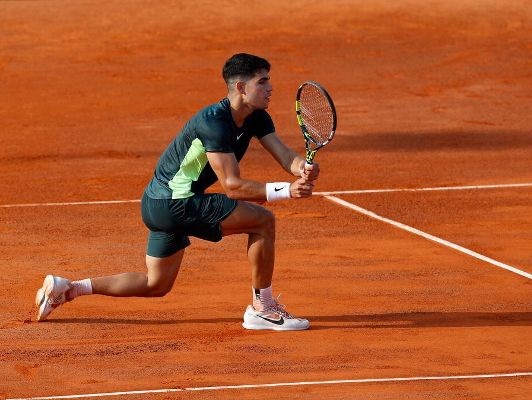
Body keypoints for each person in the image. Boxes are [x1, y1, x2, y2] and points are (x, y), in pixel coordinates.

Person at [35, 53, 319, 331]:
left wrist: (302, 168)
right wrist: (286, 190)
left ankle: (70, 288)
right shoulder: (214, 123)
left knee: (156, 284)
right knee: (263, 221)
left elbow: (284, 156)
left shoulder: (257, 117)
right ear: (241, 87)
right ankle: (263, 308)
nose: (270, 88)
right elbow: (232, 186)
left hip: (156, 203)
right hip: (177, 204)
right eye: (262, 81)